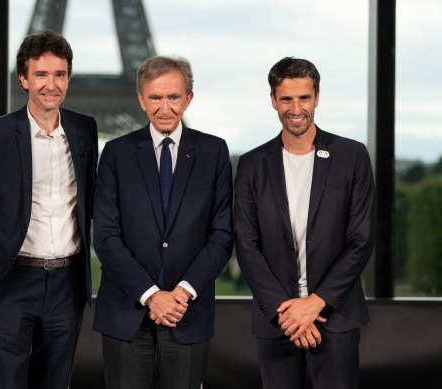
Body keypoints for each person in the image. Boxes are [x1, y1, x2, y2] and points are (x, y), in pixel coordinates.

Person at [0, 31, 98, 389]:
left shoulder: (84, 130)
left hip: (67, 286)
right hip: (11, 283)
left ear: (68, 78)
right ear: (24, 78)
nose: (51, 84)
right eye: (42, 75)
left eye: (59, 75)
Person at [234, 57, 376, 389]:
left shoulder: (352, 156)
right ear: (273, 100)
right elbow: (246, 244)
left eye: (304, 98)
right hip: (276, 318)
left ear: (317, 97)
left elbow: (361, 239)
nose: (296, 108)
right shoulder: (252, 164)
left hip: (335, 315)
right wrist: (288, 311)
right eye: (286, 99)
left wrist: (314, 303)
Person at [92, 55, 234, 388]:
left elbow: (222, 235)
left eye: (173, 97)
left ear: (188, 98)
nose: (165, 107)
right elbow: (107, 237)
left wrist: (181, 294)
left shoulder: (214, 152)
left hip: (188, 313)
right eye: (155, 97)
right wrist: (153, 295)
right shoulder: (115, 153)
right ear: (141, 100)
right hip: (126, 312)